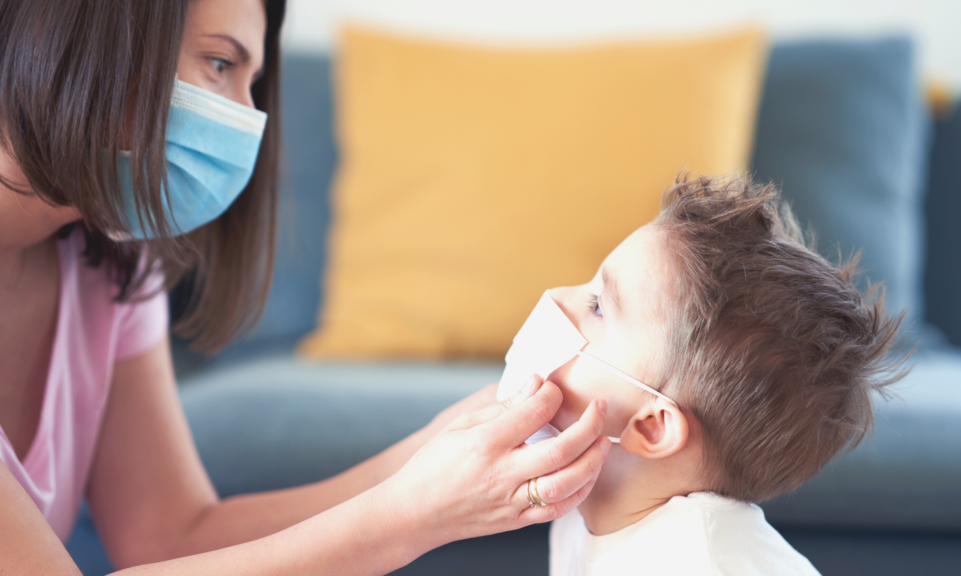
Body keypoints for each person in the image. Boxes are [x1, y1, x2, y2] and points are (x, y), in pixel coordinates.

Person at [0, 0, 611, 573]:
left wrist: (430, 452)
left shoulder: (109, 270)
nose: (247, 118)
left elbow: (172, 536)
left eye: (252, 85)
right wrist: (415, 515)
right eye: (219, 63)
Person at [499, 175, 908, 575]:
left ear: (654, 427)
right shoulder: (583, 507)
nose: (555, 295)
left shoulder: (703, 564)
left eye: (598, 306)